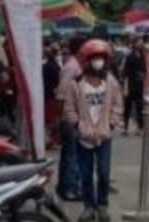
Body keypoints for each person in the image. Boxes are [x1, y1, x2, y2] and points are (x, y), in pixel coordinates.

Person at [64, 39, 123, 222]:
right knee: (86, 174)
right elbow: (69, 109)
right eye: (95, 58)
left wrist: (111, 124)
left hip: (104, 136)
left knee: (104, 173)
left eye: (101, 58)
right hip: (83, 138)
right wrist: (77, 126)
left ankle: (103, 205)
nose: (99, 62)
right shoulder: (76, 84)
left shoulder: (111, 82)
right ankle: (89, 207)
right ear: (87, 60)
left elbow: (118, 105)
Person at [56, 36, 86, 201]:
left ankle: (65, 186)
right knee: (72, 154)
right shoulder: (72, 68)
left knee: (70, 152)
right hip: (69, 116)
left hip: (75, 115)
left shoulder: (75, 66)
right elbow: (61, 94)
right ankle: (70, 188)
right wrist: (59, 118)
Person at [120, 40, 146, 135]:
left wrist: (142, 76)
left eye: (141, 43)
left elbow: (144, 70)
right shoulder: (129, 57)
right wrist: (125, 87)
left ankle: (140, 128)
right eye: (139, 43)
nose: (141, 45)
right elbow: (126, 73)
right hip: (130, 84)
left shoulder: (142, 56)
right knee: (127, 107)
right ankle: (125, 127)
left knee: (140, 107)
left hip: (139, 85)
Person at [43, 42, 62, 147]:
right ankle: (51, 140)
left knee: (48, 120)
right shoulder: (57, 67)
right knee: (52, 120)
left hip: (46, 95)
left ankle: (48, 140)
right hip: (53, 96)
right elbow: (58, 82)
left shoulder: (44, 67)